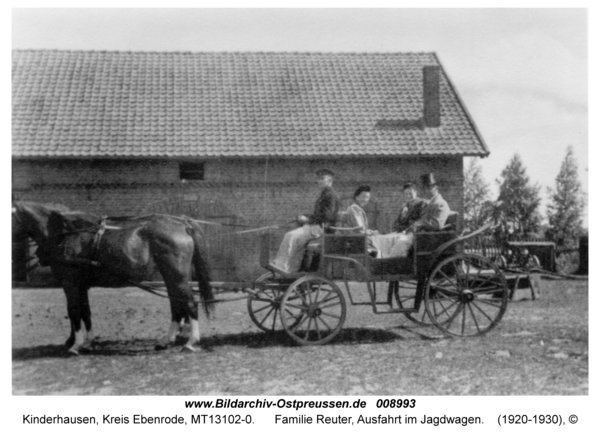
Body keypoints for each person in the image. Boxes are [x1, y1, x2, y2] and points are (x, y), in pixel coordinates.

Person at [268, 168, 340, 274]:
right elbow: (319, 215)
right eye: (318, 179)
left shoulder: (331, 196)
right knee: (293, 238)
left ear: (330, 181)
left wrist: (308, 219)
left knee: (291, 236)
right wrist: (305, 217)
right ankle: (290, 268)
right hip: (316, 226)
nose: (319, 181)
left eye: (322, 179)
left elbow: (327, 216)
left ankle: (282, 267)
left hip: (322, 228)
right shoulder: (325, 194)